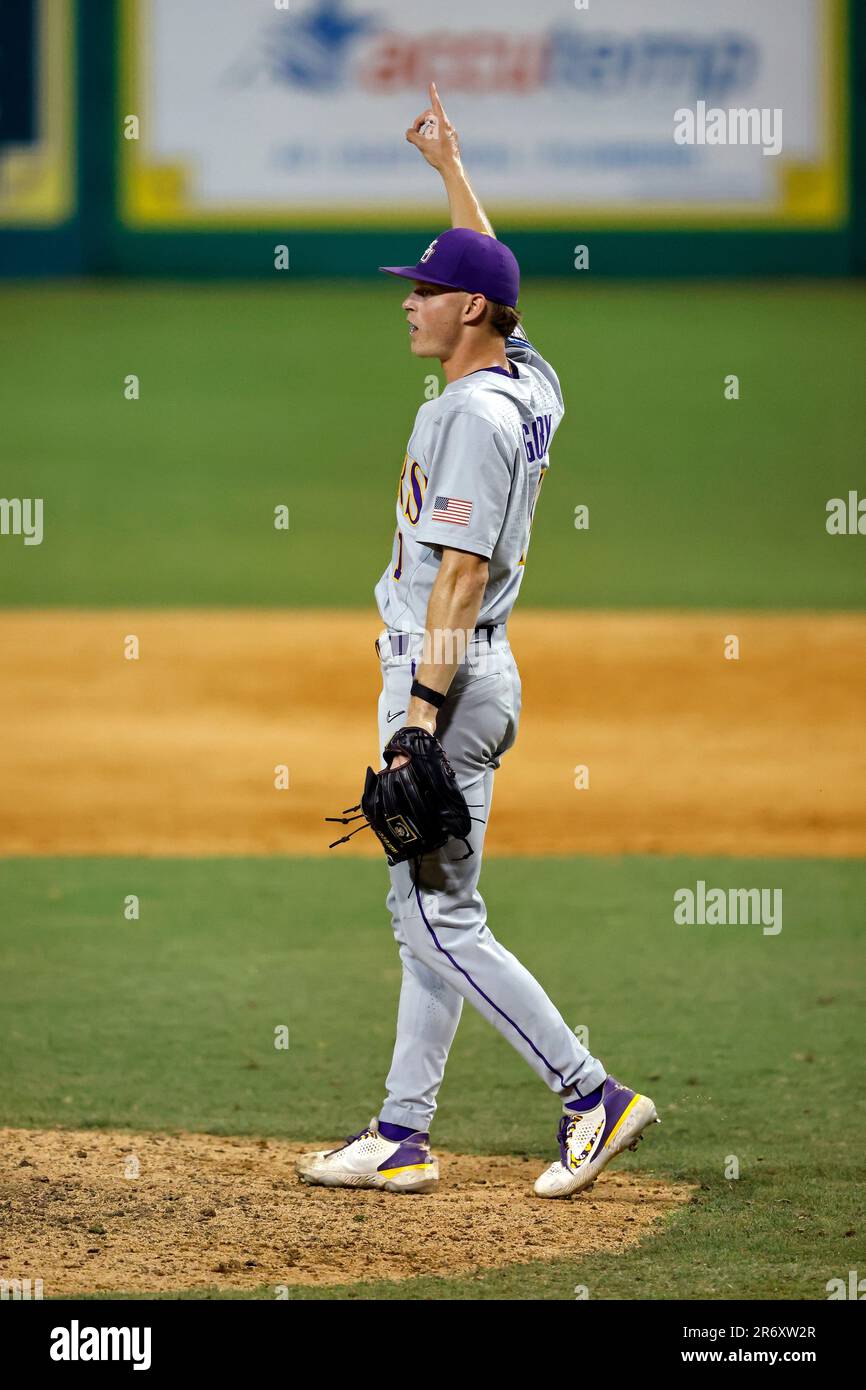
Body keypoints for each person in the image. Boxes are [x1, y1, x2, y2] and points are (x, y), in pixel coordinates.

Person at [297, 85, 658, 1198]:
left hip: (444, 676)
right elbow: (491, 266)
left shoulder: (469, 418)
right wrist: (450, 168)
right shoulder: (522, 380)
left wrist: (414, 717)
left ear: (466, 312)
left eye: (421, 292)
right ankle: (402, 1130)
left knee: (435, 915)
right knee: (432, 913)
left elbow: (453, 576)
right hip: (479, 673)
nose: (406, 304)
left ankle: (588, 1090)